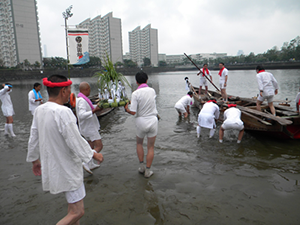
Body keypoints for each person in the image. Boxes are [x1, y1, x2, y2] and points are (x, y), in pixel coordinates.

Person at [26, 75, 104, 224]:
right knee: (77, 211)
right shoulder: (63, 112)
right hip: (67, 167)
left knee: (72, 209)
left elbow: (33, 136)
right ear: (63, 91)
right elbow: (75, 140)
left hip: (54, 165)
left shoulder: (40, 110)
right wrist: (93, 155)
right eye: (69, 90)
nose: (70, 93)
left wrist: (34, 159)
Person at [124, 71, 158, 178]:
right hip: (153, 120)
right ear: (147, 80)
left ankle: (141, 167)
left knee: (139, 144)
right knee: (150, 147)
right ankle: (148, 171)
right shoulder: (152, 90)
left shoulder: (135, 93)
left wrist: (126, 109)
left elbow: (133, 112)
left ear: (136, 82)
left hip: (141, 121)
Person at [76, 82, 104, 174]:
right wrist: (94, 111)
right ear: (86, 89)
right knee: (99, 146)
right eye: (89, 89)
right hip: (89, 127)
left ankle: (90, 164)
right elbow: (81, 115)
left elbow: (89, 108)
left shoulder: (82, 99)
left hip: (86, 127)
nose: (90, 91)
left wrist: (97, 107)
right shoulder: (81, 101)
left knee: (90, 146)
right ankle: (86, 162)